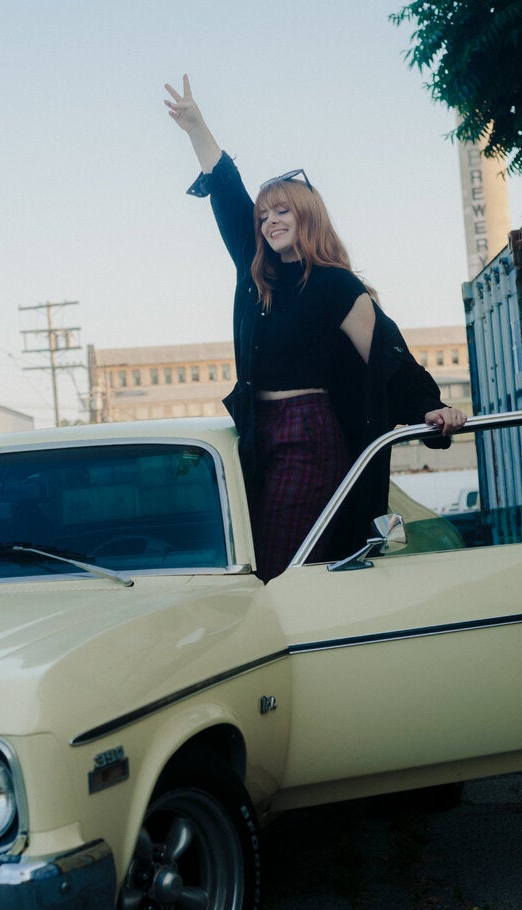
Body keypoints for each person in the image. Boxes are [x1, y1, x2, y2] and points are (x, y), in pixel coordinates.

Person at [164, 74, 467, 582]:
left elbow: (388, 354)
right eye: (264, 217)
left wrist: (428, 407)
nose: (269, 222)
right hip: (256, 436)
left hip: (308, 432)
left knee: (281, 567)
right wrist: (197, 127)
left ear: (307, 216)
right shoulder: (254, 269)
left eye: (282, 211)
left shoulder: (334, 285)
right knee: (253, 556)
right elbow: (226, 190)